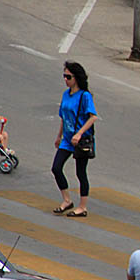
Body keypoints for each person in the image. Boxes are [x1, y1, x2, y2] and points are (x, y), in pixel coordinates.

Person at [52, 61, 97, 217]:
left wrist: (79, 134)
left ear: (76, 78)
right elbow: (63, 117)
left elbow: (93, 117)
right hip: (67, 139)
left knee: (80, 173)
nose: (65, 79)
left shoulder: (85, 96)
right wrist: (59, 136)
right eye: (64, 76)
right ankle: (66, 200)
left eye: (68, 77)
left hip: (80, 141)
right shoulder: (66, 94)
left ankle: (82, 207)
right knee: (56, 168)